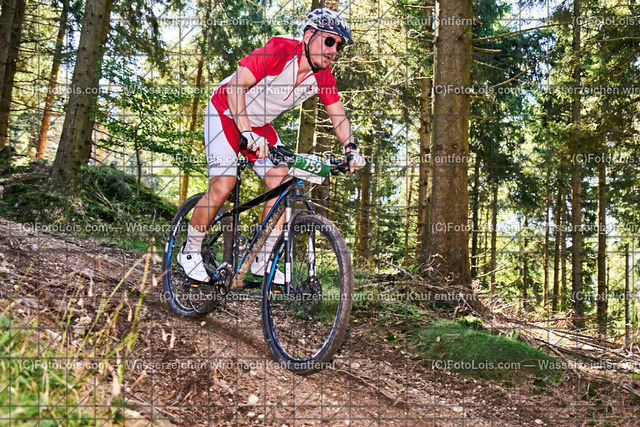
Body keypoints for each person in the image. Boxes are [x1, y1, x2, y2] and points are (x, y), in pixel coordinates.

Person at [178, 8, 366, 284]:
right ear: (308, 36)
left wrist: (351, 149)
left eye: (339, 46)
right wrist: (245, 132)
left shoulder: (322, 76)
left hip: (258, 126)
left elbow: (339, 117)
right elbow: (235, 87)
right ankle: (190, 251)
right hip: (224, 112)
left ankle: (262, 259)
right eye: (329, 41)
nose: (333, 50)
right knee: (224, 183)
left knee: (282, 184)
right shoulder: (279, 50)